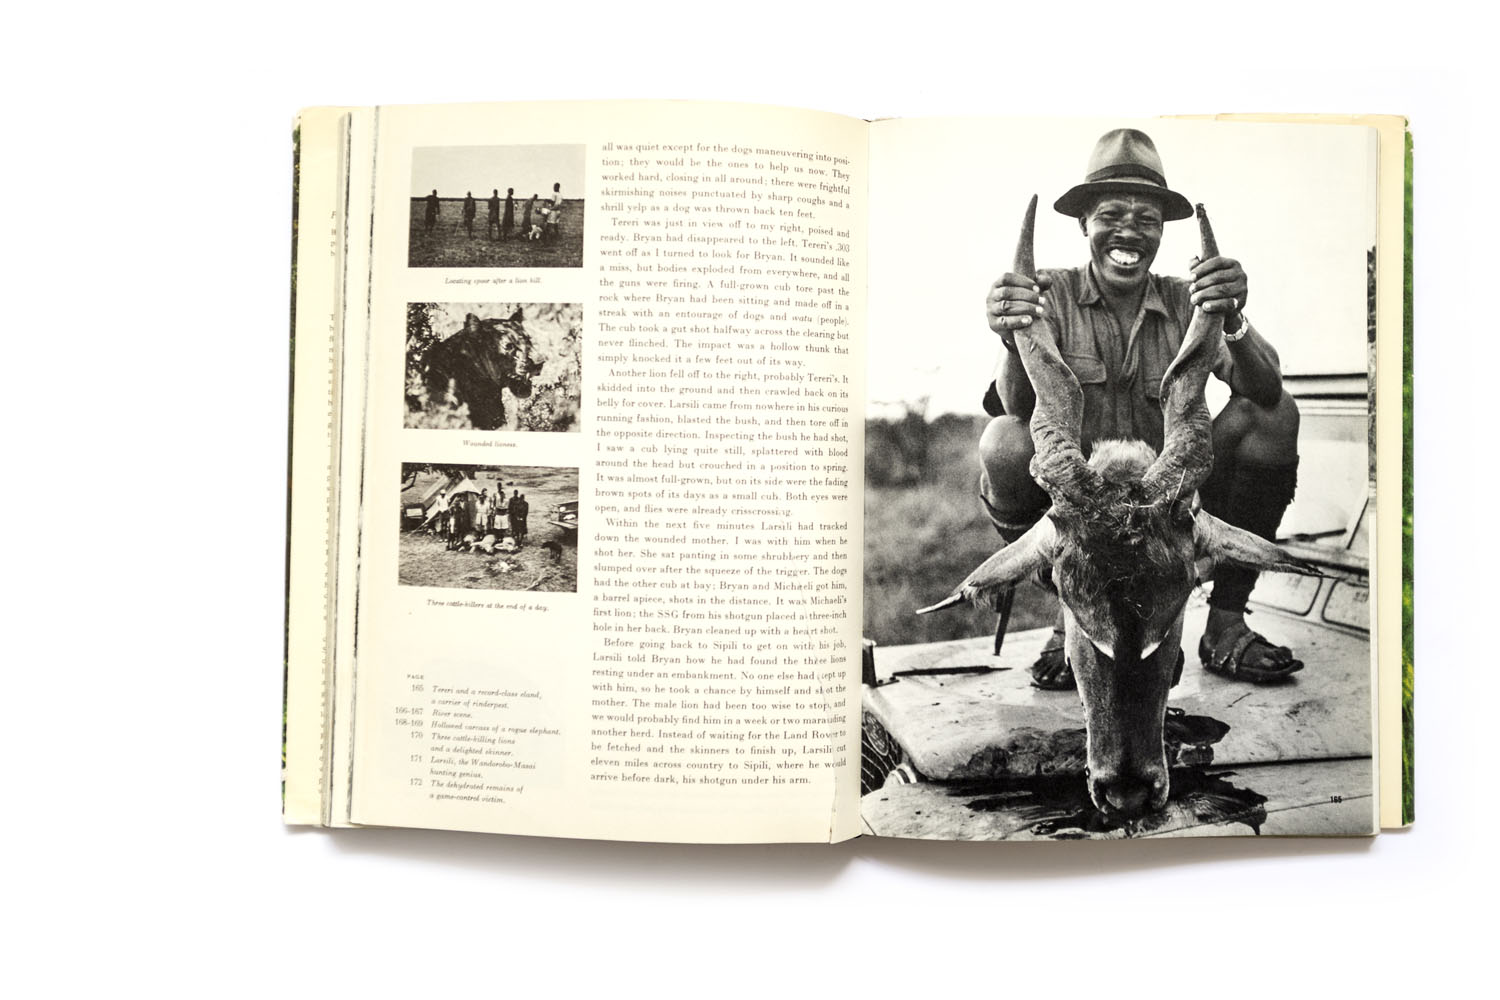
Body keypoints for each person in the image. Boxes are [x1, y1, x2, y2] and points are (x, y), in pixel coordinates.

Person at [980, 128, 1301, 690]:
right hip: (1082, 505)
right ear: (1084, 224)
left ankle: (1225, 624)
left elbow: (1266, 390)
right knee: (1003, 442)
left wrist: (1233, 317)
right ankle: (1072, 619)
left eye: (1146, 219)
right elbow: (1016, 407)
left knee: (1275, 418)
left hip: (1168, 502)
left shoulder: (1188, 301)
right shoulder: (1048, 294)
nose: (1128, 230)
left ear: (1161, 232)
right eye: (1111, 214)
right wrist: (1013, 335)